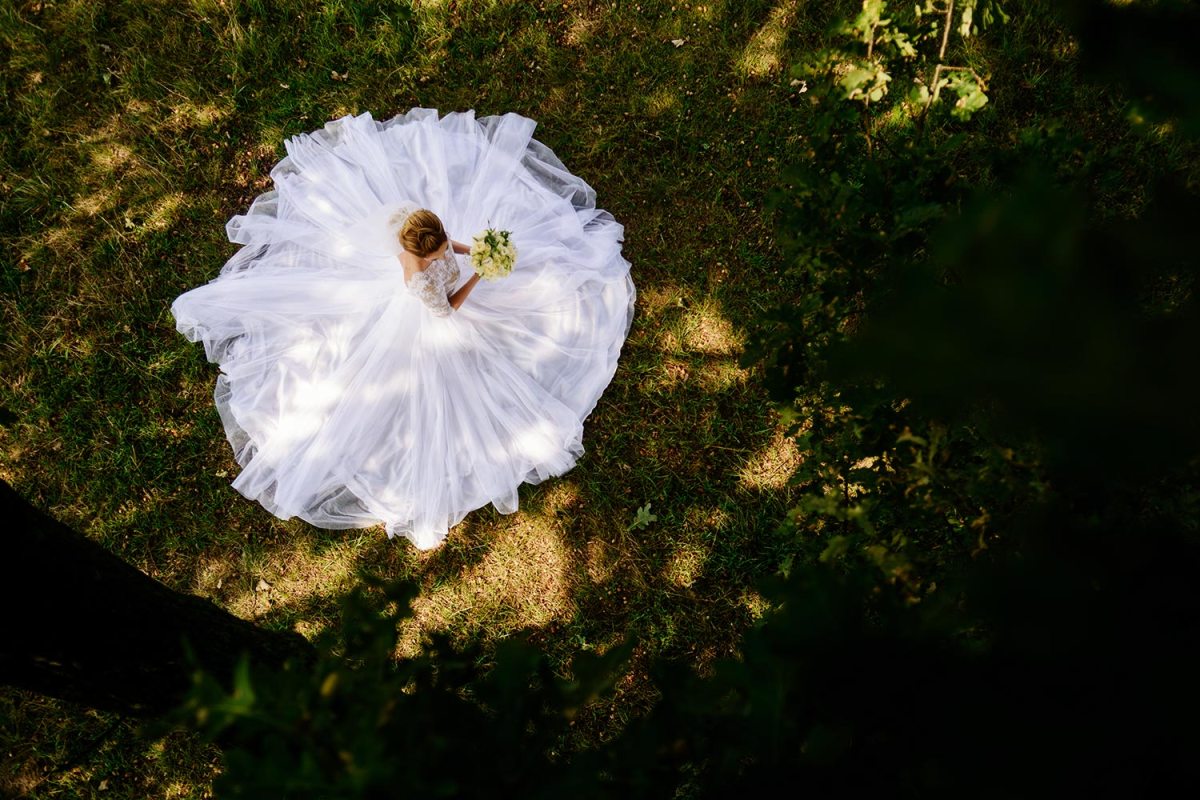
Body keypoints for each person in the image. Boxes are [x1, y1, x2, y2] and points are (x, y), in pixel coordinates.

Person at [172, 109, 635, 548]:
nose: (441, 254)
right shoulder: (417, 280)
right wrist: (479, 275)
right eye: (435, 253)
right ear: (419, 253)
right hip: (437, 316)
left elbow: (449, 243)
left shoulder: (424, 230)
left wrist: (475, 250)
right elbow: (447, 310)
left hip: (449, 285)